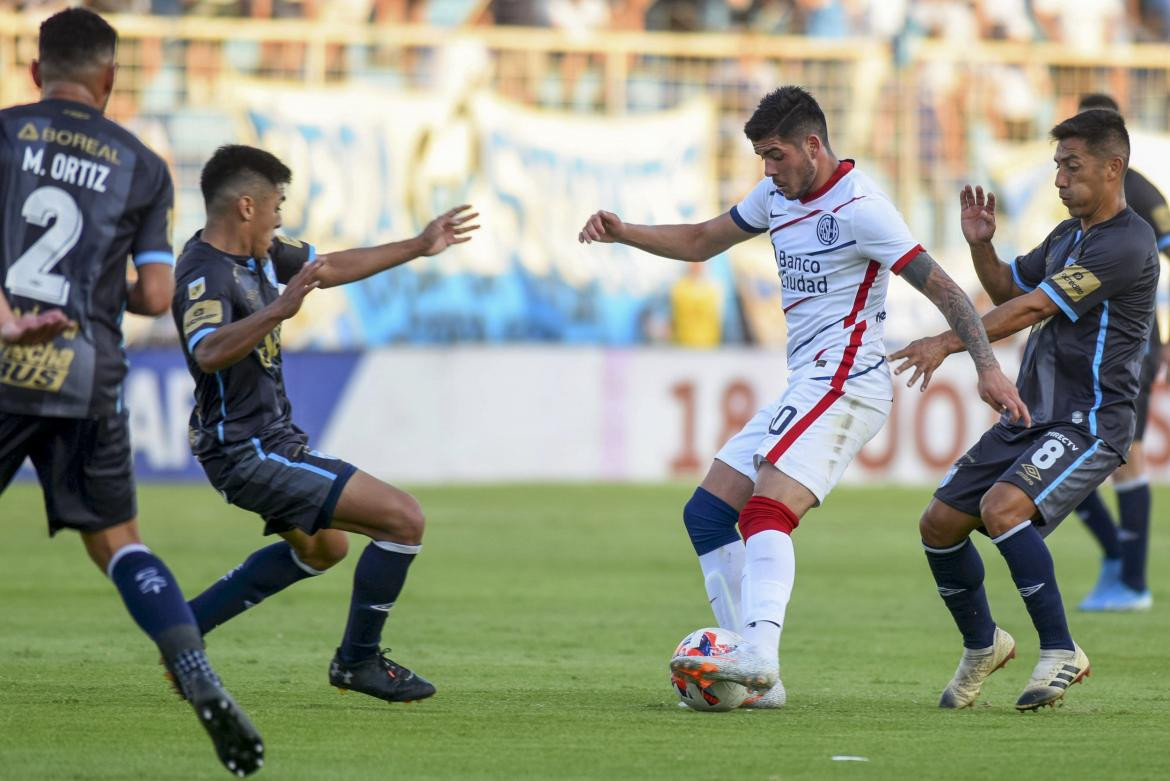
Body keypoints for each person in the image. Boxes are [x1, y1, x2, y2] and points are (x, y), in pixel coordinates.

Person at [578, 86, 1025, 708]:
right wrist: (625, 232)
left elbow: (946, 290)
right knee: (706, 515)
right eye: (762, 157)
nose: (768, 169)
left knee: (765, 511)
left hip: (848, 381)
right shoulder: (775, 196)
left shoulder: (863, 207)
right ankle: (755, 675)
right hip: (807, 381)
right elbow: (704, 238)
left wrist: (986, 368)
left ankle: (758, 657)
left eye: (775, 155)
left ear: (812, 146)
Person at [0, 9, 264, 777]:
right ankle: (193, 667)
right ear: (110, 79)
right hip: (86, 368)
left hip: (5, 356)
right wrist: (85, 283)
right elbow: (155, 294)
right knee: (119, 541)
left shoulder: (4, 134)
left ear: (34, 72)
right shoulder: (143, 166)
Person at [172, 144, 477, 704]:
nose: (281, 217)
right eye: (276, 205)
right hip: (246, 450)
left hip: (270, 441)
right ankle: (357, 662)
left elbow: (328, 267)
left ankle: (182, 630)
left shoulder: (261, 255)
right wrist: (276, 312)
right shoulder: (203, 274)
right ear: (245, 206)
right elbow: (209, 350)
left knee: (323, 549)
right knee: (403, 520)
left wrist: (418, 245)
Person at [891, 108, 1158, 711]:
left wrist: (946, 340)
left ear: (1113, 168)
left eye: (1072, 166)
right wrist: (981, 247)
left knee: (1002, 508)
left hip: (1089, 421)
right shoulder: (1069, 236)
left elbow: (1032, 310)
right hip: (1031, 417)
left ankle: (1060, 648)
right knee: (938, 524)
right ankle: (983, 643)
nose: (1060, 180)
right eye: (1057, 167)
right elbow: (1010, 289)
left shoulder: (1128, 241)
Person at [1072, 93, 1168, 612]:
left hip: (1133, 342)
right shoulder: (1083, 195)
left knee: (1123, 453)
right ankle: (1116, 560)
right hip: (1090, 343)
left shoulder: (1138, 194)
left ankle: (1131, 579)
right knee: (1062, 440)